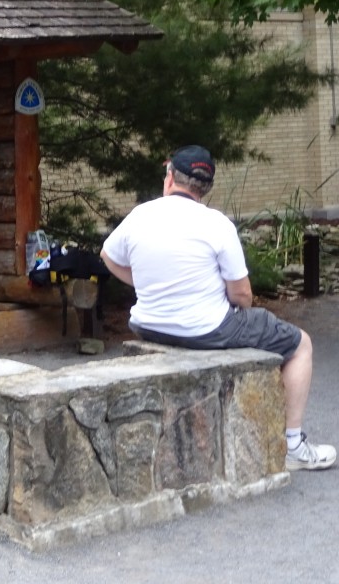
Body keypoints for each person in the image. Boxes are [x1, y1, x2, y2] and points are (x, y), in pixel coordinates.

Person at [100, 145, 335, 471]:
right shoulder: (216, 223)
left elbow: (108, 257)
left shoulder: (141, 214)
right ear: (205, 188)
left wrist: (144, 284)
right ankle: (292, 444)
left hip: (148, 324)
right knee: (301, 344)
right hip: (204, 329)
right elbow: (242, 296)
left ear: (169, 177)